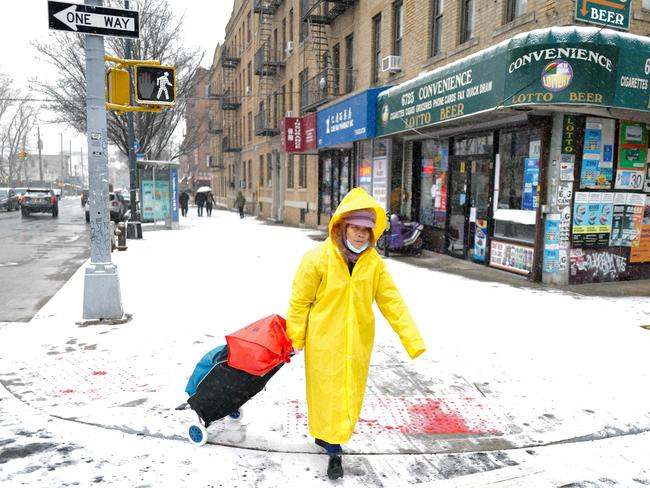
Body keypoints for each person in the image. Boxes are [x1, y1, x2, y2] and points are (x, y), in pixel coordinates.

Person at [286, 187, 426, 480]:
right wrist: (295, 337)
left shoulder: (374, 264)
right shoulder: (317, 259)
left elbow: (392, 302)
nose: (361, 235)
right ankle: (334, 449)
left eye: (366, 229)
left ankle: (329, 438)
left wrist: (412, 339)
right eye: (356, 228)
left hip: (357, 342)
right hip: (323, 341)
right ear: (342, 226)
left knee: (347, 394)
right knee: (326, 394)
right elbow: (300, 300)